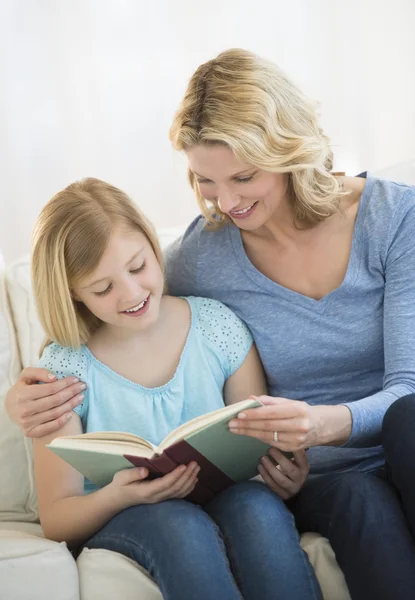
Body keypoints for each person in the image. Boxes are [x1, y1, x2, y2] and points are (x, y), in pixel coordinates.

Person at [5, 48, 415, 599]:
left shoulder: (393, 218)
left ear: (289, 149)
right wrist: (27, 401)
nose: (225, 202)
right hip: (326, 477)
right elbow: (127, 309)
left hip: (400, 438)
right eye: (205, 182)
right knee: (353, 500)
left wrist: (320, 425)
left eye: (243, 177)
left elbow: (407, 391)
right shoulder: (200, 260)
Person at [24, 177, 321, 600]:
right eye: (103, 288)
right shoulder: (64, 369)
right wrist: (116, 497)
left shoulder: (215, 326)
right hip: (132, 516)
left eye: (138, 266)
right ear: (72, 294)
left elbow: (259, 447)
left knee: (257, 508)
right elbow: (57, 517)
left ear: (151, 244)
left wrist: (285, 476)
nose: (131, 293)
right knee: (181, 523)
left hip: (228, 494)